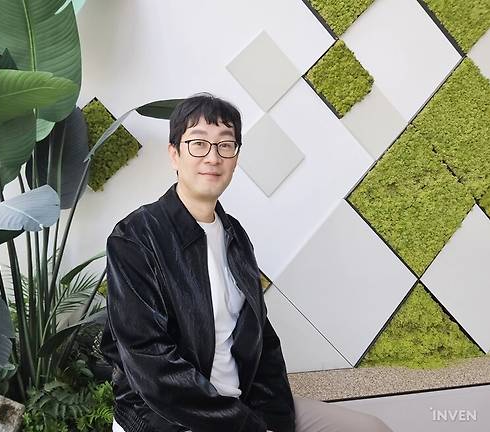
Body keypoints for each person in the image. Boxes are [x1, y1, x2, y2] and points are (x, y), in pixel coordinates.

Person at [100, 93, 393, 432]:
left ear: (235, 158)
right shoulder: (135, 237)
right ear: (174, 154)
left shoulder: (234, 235)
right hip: (168, 417)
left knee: (370, 428)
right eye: (198, 144)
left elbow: (262, 339)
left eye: (225, 145)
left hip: (243, 404)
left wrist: (275, 419)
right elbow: (149, 360)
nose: (213, 157)